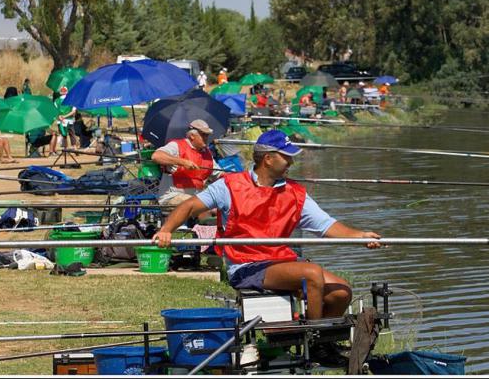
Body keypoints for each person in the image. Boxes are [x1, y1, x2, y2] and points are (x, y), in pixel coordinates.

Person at [152, 130, 382, 324]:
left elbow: (326, 225)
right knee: (312, 273)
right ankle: (313, 333)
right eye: (286, 157)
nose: (291, 162)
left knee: (342, 292)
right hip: (246, 264)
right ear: (268, 159)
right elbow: (190, 206)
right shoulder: (229, 185)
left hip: (281, 260)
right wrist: (165, 231)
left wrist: (359, 235)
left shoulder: (295, 192)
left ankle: (324, 344)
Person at [151, 119, 223, 207]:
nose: (206, 138)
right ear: (192, 136)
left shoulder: (207, 153)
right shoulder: (176, 145)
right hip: (172, 196)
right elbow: (156, 156)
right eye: (203, 135)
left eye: (207, 135)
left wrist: (235, 177)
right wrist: (182, 162)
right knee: (200, 206)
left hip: (195, 198)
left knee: (219, 206)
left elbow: (219, 174)